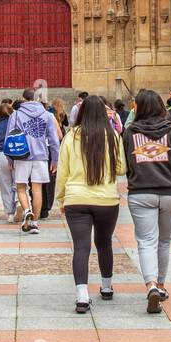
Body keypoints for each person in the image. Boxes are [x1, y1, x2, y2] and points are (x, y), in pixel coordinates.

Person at [122, 89, 171, 313]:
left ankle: (151, 285)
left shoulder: (129, 133)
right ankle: (162, 285)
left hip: (140, 192)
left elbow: (125, 163)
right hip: (170, 192)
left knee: (146, 241)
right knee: (164, 240)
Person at [56, 94, 126, 312]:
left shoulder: (70, 137)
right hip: (106, 199)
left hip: (76, 199)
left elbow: (63, 172)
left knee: (81, 247)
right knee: (104, 243)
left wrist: (61, 198)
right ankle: (106, 287)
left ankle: (82, 296)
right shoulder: (113, 136)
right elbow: (121, 168)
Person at [7, 87, 61, 233]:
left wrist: (10, 159)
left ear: (23, 98)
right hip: (41, 156)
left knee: (21, 188)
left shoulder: (16, 115)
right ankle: (35, 222)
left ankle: (26, 211)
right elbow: (54, 140)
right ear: (37, 98)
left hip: (21, 155)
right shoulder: (47, 115)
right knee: (37, 189)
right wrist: (55, 160)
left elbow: (9, 138)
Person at [0, 99, 17, 221]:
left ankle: (10, 213)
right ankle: (19, 203)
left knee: (5, 185)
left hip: (0, 155)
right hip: (16, 154)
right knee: (18, 183)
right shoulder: (16, 125)